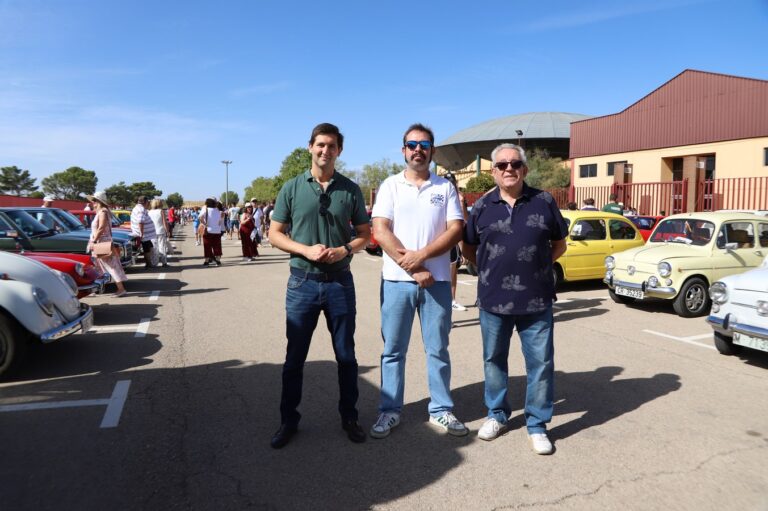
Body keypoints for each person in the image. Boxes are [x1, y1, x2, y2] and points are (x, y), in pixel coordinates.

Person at [268, 122, 370, 449]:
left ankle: (349, 416)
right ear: (310, 147)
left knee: (346, 356)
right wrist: (304, 249)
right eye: (320, 145)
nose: (325, 151)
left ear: (339, 151)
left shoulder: (350, 189)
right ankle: (288, 420)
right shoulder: (292, 187)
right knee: (294, 358)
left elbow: (365, 235)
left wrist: (345, 249)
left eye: (332, 146)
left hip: (340, 283)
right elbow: (274, 233)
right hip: (303, 284)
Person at [462, 143, 567, 455]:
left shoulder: (544, 201)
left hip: (536, 302)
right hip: (493, 301)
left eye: (515, 164)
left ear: (525, 169)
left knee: (541, 364)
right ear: (493, 171)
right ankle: (497, 415)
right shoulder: (481, 206)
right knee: (494, 360)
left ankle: (537, 424)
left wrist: (536, 265)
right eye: (503, 164)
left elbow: (559, 244)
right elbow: (468, 247)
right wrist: (489, 268)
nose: (509, 169)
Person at [369, 123, 468, 439]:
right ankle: (389, 411)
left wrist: (422, 256)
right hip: (397, 282)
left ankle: (441, 410)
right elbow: (381, 230)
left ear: (432, 151)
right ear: (403, 150)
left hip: (436, 282)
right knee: (393, 351)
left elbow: (455, 230)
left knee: (438, 349)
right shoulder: (390, 186)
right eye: (412, 144)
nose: (417, 149)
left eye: (424, 144)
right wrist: (412, 267)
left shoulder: (445, 188)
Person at [87, 190, 127, 296]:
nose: (93, 202)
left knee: (110, 266)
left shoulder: (103, 212)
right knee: (97, 266)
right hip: (101, 242)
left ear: (99, 201)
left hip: (101, 242)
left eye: (94, 200)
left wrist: (94, 241)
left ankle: (121, 289)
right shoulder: (102, 211)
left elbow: (101, 227)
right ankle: (96, 288)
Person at [444, 172, 468, 312]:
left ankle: (452, 300)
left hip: (453, 241)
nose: (450, 184)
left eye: (452, 182)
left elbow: (463, 221)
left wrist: (462, 203)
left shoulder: (458, 198)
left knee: (453, 272)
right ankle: (444, 306)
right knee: (443, 274)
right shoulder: (441, 195)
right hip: (441, 240)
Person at [130, 196, 157, 270]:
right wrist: (141, 233)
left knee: (149, 247)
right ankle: (149, 264)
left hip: (144, 234)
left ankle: (150, 262)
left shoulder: (138, 208)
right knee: (147, 248)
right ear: (145, 202)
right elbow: (140, 222)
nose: (148, 203)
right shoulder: (141, 209)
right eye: (148, 202)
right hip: (143, 234)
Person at [199, 197, 223, 266]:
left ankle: (207, 261)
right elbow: (220, 220)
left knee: (207, 246)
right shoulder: (218, 210)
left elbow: (200, 217)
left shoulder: (205, 208)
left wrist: (204, 223)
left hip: (208, 230)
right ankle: (218, 261)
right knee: (217, 246)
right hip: (217, 230)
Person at [148, 199, 171, 267]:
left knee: (154, 248)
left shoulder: (149, 212)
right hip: (160, 231)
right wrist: (167, 231)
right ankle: (164, 262)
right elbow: (164, 222)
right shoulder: (161, 211)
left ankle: (154, 263)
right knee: (162, 246)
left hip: (152, 232)